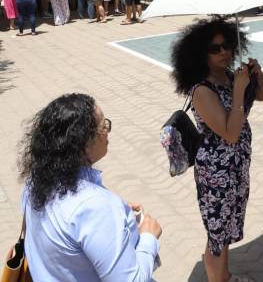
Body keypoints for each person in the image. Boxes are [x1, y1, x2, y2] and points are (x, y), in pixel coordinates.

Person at [18, 93, 162, 281]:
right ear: (84, 142)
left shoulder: (35, 182)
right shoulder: (95, 207)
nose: (107, 130)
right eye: (103, 126)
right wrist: (149, 238)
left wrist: (120, 215)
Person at [170, 17, 263, 282]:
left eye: (227, 46)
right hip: (216, 172)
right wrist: (238, 91)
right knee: (216, 236)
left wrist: (257, 76)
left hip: (237, 166)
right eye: (215, 49)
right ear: (201, 55)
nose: (224, 52)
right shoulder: (202, 90)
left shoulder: (230, 76)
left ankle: (225, 276)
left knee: (226, 230)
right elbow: (230, 132)